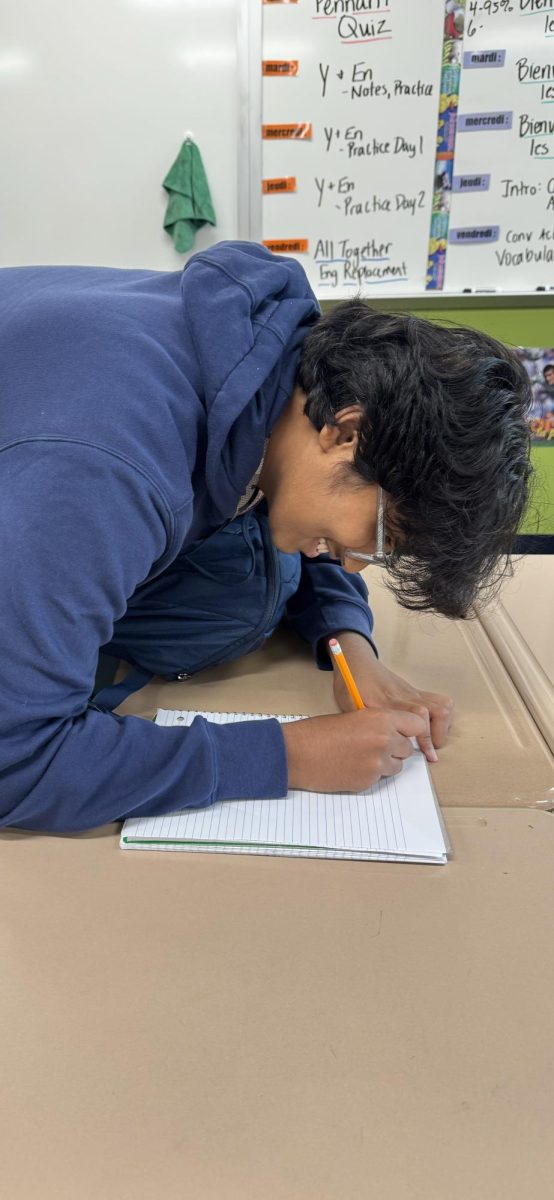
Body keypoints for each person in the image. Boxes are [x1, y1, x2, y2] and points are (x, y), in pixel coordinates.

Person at [0, 242, 532, 832]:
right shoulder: (99, 475)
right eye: (380, 535)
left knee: (262, 568)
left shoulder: (276, 359)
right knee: (241, 598)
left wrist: (348, 644)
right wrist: (286, 754)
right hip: (58, 474)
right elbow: (16, 757)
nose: (356, 569)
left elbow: (296, 500)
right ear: (349, 432)